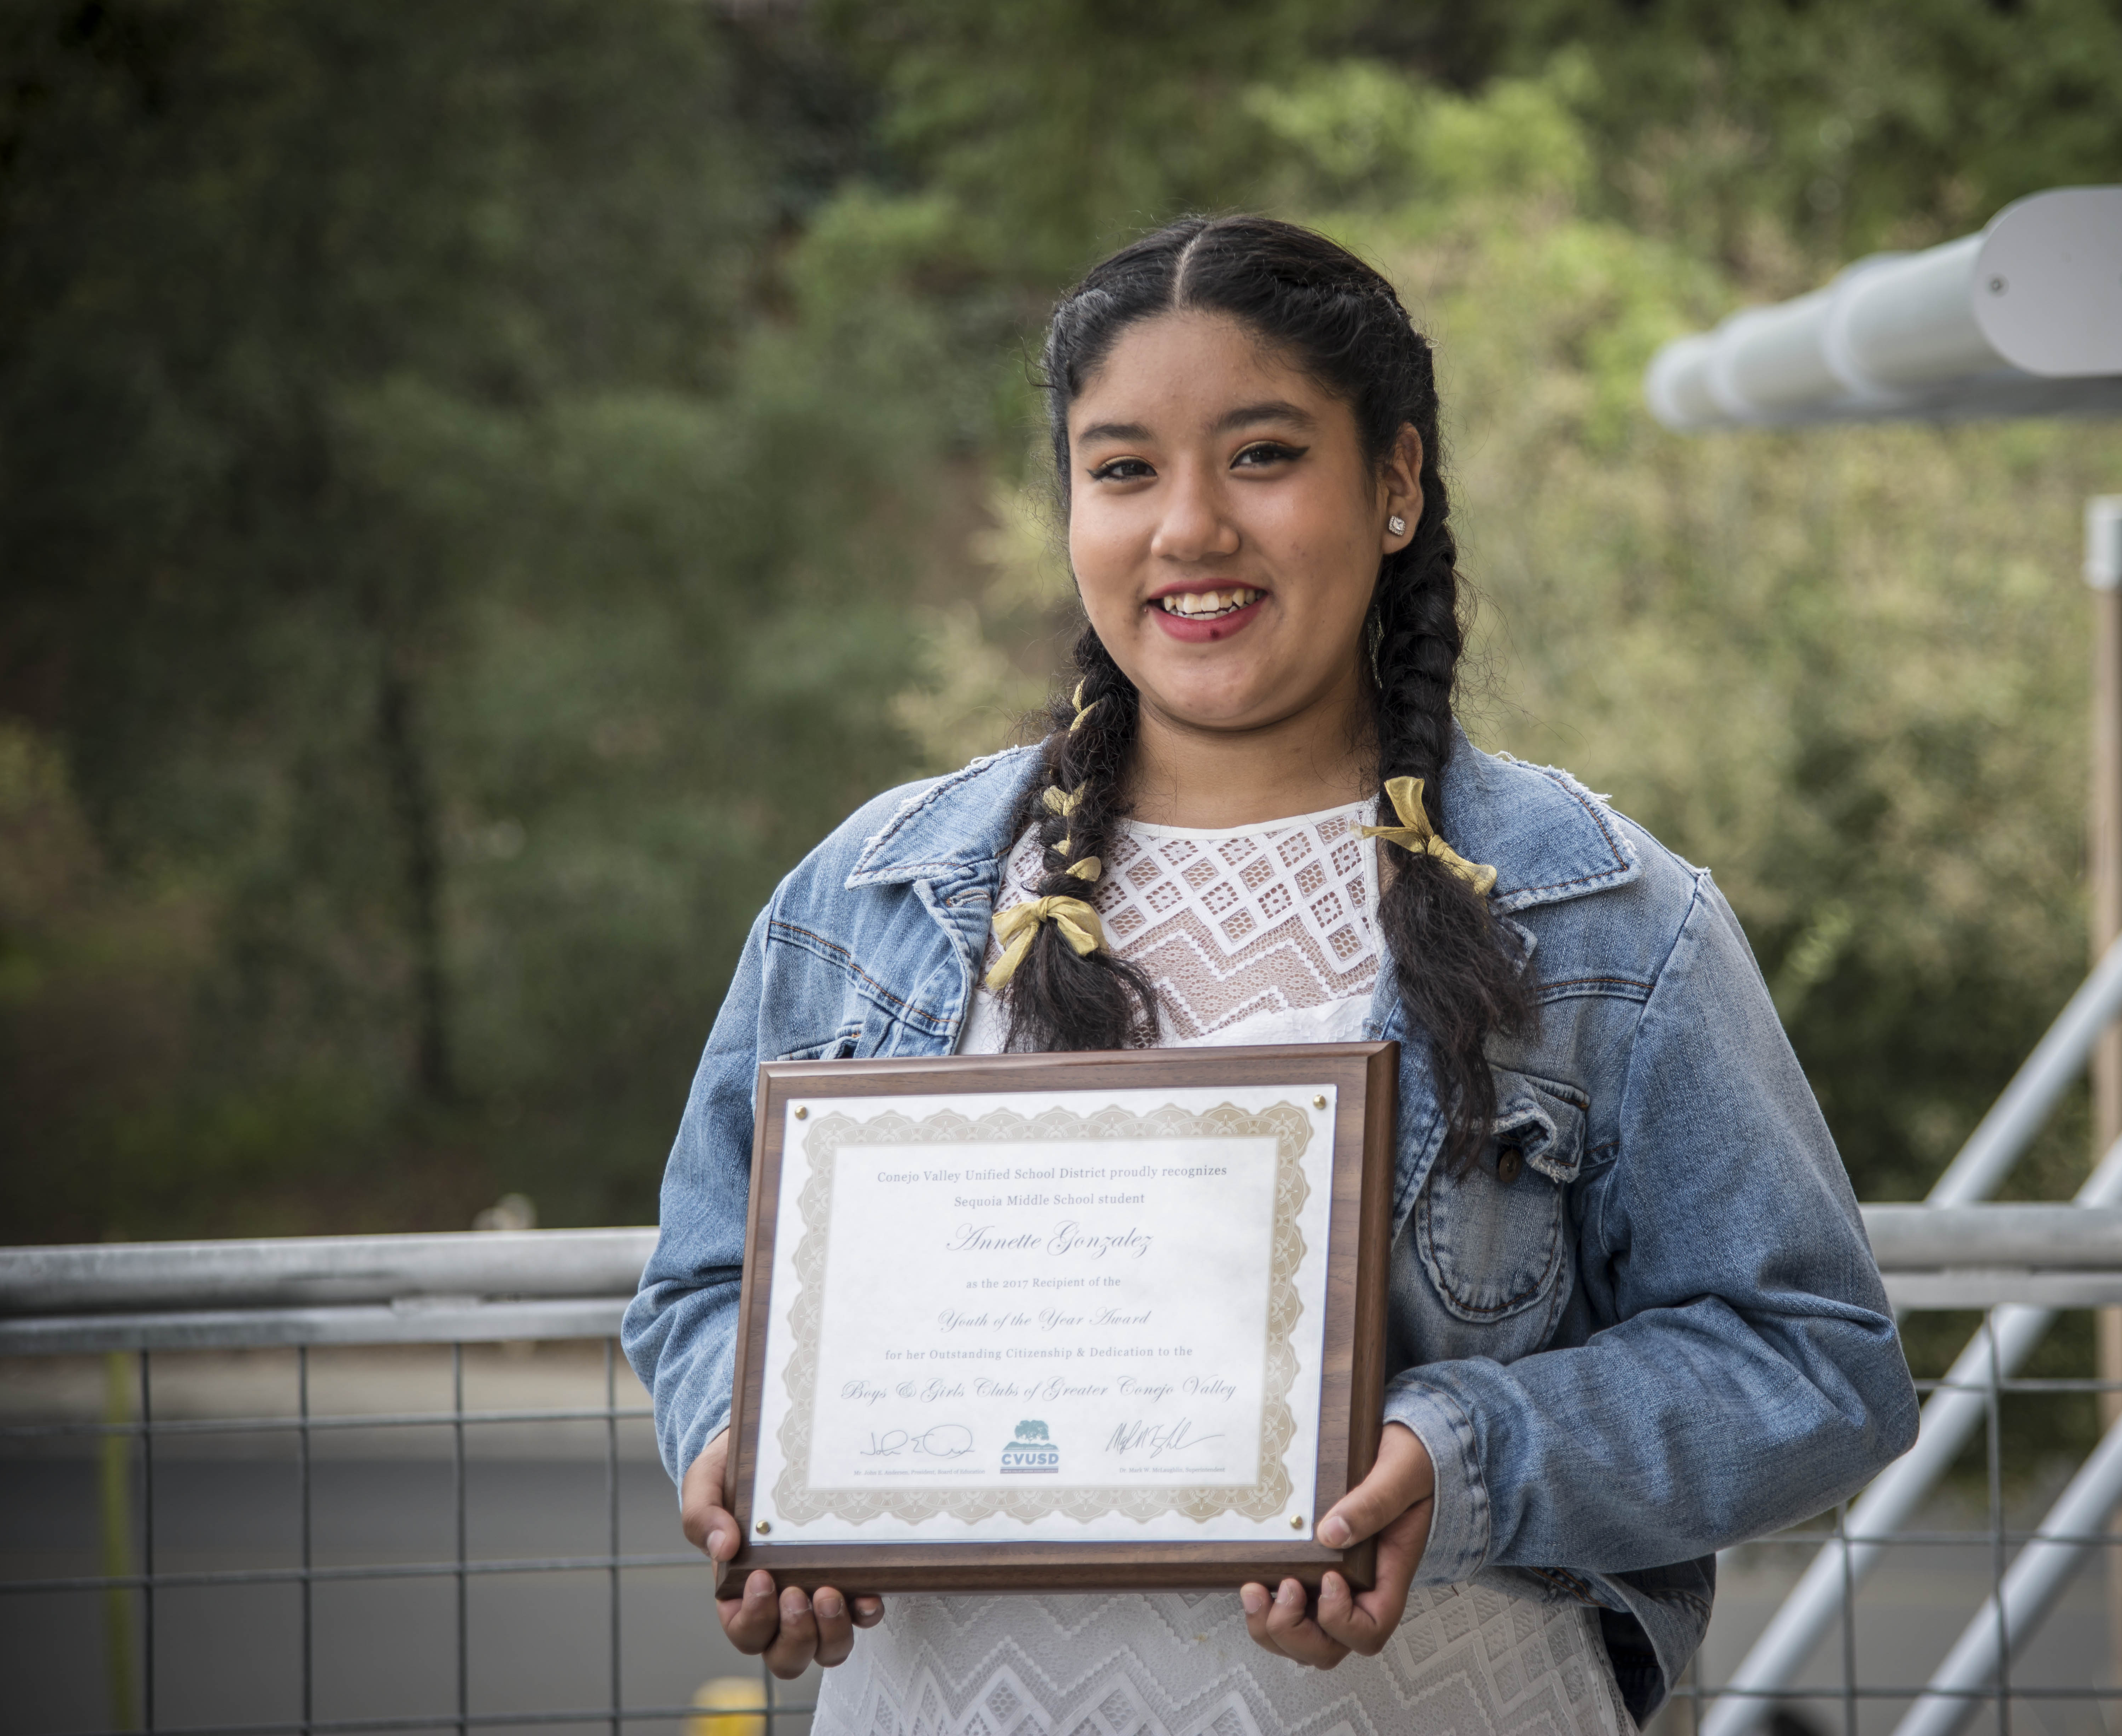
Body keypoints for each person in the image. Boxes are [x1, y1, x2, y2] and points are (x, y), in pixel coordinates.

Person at [623, 214, 1917, 1735]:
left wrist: (1460, 1452)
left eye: (1259, 456)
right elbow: (706, 1284)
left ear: (1395, 485)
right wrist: (753, 1446)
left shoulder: (1604, 910)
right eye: (1121, 469)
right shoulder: (871, 892)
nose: (1187, 529)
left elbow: (1812, 1362)